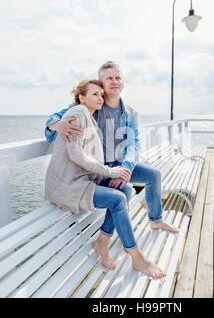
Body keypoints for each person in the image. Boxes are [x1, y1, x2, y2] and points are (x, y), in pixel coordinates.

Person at [45, 78, 166, 279]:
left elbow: (132, 144)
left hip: (84, 179)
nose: (100, 98)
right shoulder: (77, 112)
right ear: (82, 98)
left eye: (101, 95)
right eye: (95, 94)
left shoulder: (90, 116)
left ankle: (102, 241)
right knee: (118, 199)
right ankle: (136, 257)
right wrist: (111, 172)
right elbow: (76, 154)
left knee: (126, 189)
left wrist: (120, 169)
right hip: (67, 185)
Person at [45, 61, 179, 238]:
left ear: (123, 83)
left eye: (118, 78)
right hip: (97, 167)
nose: (114, 81)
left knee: (153, 175)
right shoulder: (92, 105)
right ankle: (104, 238)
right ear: (102, 84)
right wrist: (55, 125)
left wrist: (126, 169)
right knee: (123, 193)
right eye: (109, 78)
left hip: (119, 163)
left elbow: (134, 144)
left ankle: (156, 220)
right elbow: (56, 117)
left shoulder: (130, 113)